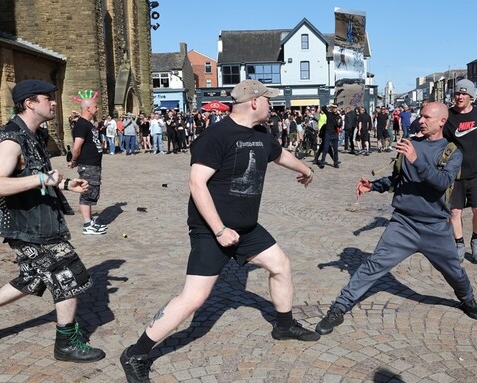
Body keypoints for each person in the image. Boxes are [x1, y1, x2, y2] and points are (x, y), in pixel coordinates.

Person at [120, 79, 319, 383]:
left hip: (247, 228)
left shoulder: (262, 135)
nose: (272, 105)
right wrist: (219, 229)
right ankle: (136, 352)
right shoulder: (216, 136)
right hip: (211, 229)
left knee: (280, 266)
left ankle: (284, 325)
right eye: (268, 100)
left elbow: (280, 155)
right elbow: (196, 183)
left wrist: (305, 169)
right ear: (254, 102)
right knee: (194, 298)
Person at [315, 102, 477, 336]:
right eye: (420, 116)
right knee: (373, 265)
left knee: (454, 271)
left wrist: (417, 160)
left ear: (442, 121)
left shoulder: (452, 152)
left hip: (435, 227)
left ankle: (467, 299)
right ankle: (339, 308)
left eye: (427, 117)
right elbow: (397, 180)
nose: (421, 120)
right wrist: (373, 186)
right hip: (403, 224)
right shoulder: (410, 145)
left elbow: (442, 182)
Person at [0, 79, 105, 362]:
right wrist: (43, 179)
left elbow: (40, 174)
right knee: (70, 275)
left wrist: (65, 185)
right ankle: (65, 343)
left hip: (41, 220)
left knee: (32, 279)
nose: (54, 102)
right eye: (48, 98)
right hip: (26, 225)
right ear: (30, 103)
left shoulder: (36, 135)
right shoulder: (11, 140)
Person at [443, 79, 477, 264]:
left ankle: (476, 240)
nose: (459, 97)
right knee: (455, 212)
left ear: (471, 97)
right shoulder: (448, 115)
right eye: (457, 93)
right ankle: (459, 244)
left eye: (463, 94)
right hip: (454, 173)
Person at [68, 92, 108, 235]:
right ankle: (87, 225)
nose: (97, 109)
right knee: (87, 191)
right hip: (88, 164)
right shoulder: (81, 125)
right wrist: (74, 160)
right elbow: (77, 146)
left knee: (92, 191)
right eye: (95, 106)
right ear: (88, 108)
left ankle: (90, 221)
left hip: (93, 164)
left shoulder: (87, 123)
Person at [318, 103, 341, 168]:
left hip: (335, 134)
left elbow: (339, 125)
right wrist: (330, 105)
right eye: (333, 108)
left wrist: (339, 123)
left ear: (337, 109)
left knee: (335, 149)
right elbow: (323, 108)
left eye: (335, 108)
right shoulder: (329, 114)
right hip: (328, 133)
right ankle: (322, 162)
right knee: (325, 148)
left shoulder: (338, 116)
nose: (334, 109)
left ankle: (335, 162)